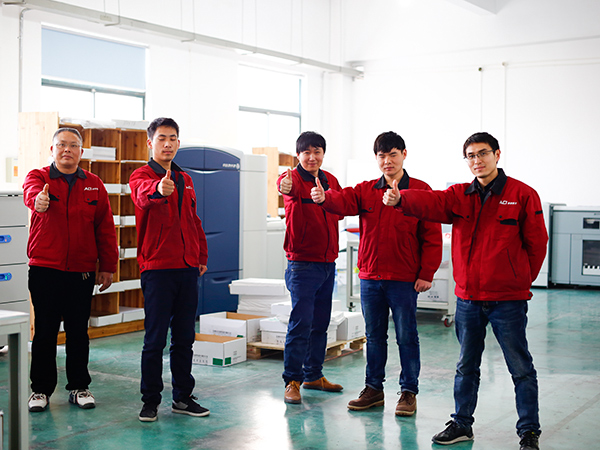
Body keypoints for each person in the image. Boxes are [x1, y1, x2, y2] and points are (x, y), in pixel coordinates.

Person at [383, 132, 547, 450]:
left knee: (521, 368)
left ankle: (529, 432)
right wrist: (402, 199)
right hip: (469, 298)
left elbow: (537, 243)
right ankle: (461, 424)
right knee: (466, 365)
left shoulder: (522, 195)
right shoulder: (460, 195)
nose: (477, 160)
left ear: (497, 155)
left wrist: (520, 281)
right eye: (470, 156)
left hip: (508, 300)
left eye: (482, 153)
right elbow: (432, 202)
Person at [311, 131, 442, 416]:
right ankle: (373, 389)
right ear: (376, 158)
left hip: (404, 278)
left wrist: (426, 272)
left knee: (406, 336)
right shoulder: (366, 190)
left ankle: (408, 392)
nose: (387, 161)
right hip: (371, 276)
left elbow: (431, 235)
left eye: (393, 155)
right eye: (382, 156)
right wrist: (324, 198)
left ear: (404, 155)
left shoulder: (421, 190)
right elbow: (343, 201)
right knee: (374, 336)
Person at [23, 127, 118, 412]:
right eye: (61, 144)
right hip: (45, 269)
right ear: (52, 150)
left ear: (81, 151)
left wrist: (108, 266)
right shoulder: (38, 177)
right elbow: (31, 194)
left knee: (78, 332)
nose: (67, 149)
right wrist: (38, 201)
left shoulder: (94, 184)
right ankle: (40, 390)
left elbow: (105, 228)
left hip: (81, 271)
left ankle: (79, 387)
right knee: (45, 332)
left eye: (73, 145)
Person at [129, 117, 209, 422]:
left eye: (173, 138)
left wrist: (201, 254)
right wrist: (158, 189)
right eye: (162, 138)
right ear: (150, 142)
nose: (168, 144)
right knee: (155, 339)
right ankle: (150, 400)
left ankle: (182, 397)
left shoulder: (185, 178)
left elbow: (193, 219)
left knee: (185, 338)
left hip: (187, 267)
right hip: (158, 268)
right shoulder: (141, 175)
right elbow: (142, 195)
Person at [277, 131, 344, 404]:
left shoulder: (331, 181)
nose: (312, 157)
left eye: (317, 151)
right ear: (298, 155)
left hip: (328, 263)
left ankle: (313, 375)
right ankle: (292, 380)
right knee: (300, 324)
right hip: (302, 264)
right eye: (306, 152)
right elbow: (283, 186)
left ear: (323, 154)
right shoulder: (292, 179)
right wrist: (283, 185)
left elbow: (341, 209)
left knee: (320, 323)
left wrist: (328, 198)